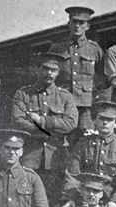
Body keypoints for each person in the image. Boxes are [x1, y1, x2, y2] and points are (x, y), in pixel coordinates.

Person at [11, 52, 78, 199]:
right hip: (30, 154)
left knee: (53, 196)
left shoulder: (65, 96)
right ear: (37, 69)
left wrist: (41, 121)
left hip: (56, 155)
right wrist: (52, 129)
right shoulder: (23, 94)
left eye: (53, 70)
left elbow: (71, 124)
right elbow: (19, 122)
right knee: (27, 195)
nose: (49, 73)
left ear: (58, 72)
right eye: (45, 68)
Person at [64, 101, 116, 206]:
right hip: (85, 195)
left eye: (109, 120)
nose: (105, 122)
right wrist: (71, 198)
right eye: (102, 118)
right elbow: (73, 175)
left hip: (111, 196)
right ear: (96, 121)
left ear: (115, 123)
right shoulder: (83, 143)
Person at [48, 6, 104, 130]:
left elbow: (103, 77)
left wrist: (97, 102)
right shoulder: (57, 48)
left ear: (88, 26)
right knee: (60, 139)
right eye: (74, 22)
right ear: (69, 24)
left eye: (81, 23)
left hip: (86, 107)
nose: (77, 26)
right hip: (61, 104)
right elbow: (47, 76)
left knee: (86, 139)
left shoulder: (94, 49)